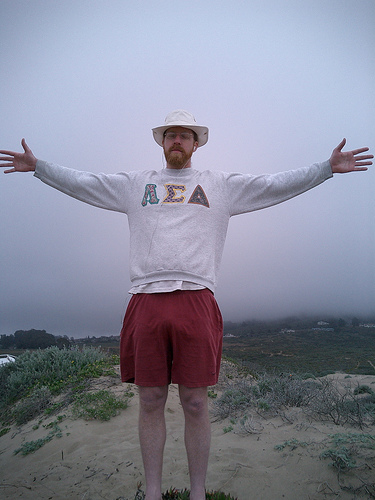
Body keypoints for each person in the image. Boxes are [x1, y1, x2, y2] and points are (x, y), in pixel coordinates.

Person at [0, 110, 372, 500]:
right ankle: (154, 493)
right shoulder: (135, 184)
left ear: (196, 144)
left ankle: (197, 492)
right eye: (170, 135)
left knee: (195, 402)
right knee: (150, 399)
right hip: (145, 299)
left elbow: (273, 185)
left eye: (185, 135)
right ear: (162, 143)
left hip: (197, 299)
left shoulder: (220, 185)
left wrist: (325, 169)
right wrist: (38, 167)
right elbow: (86, 183)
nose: (177, 140)